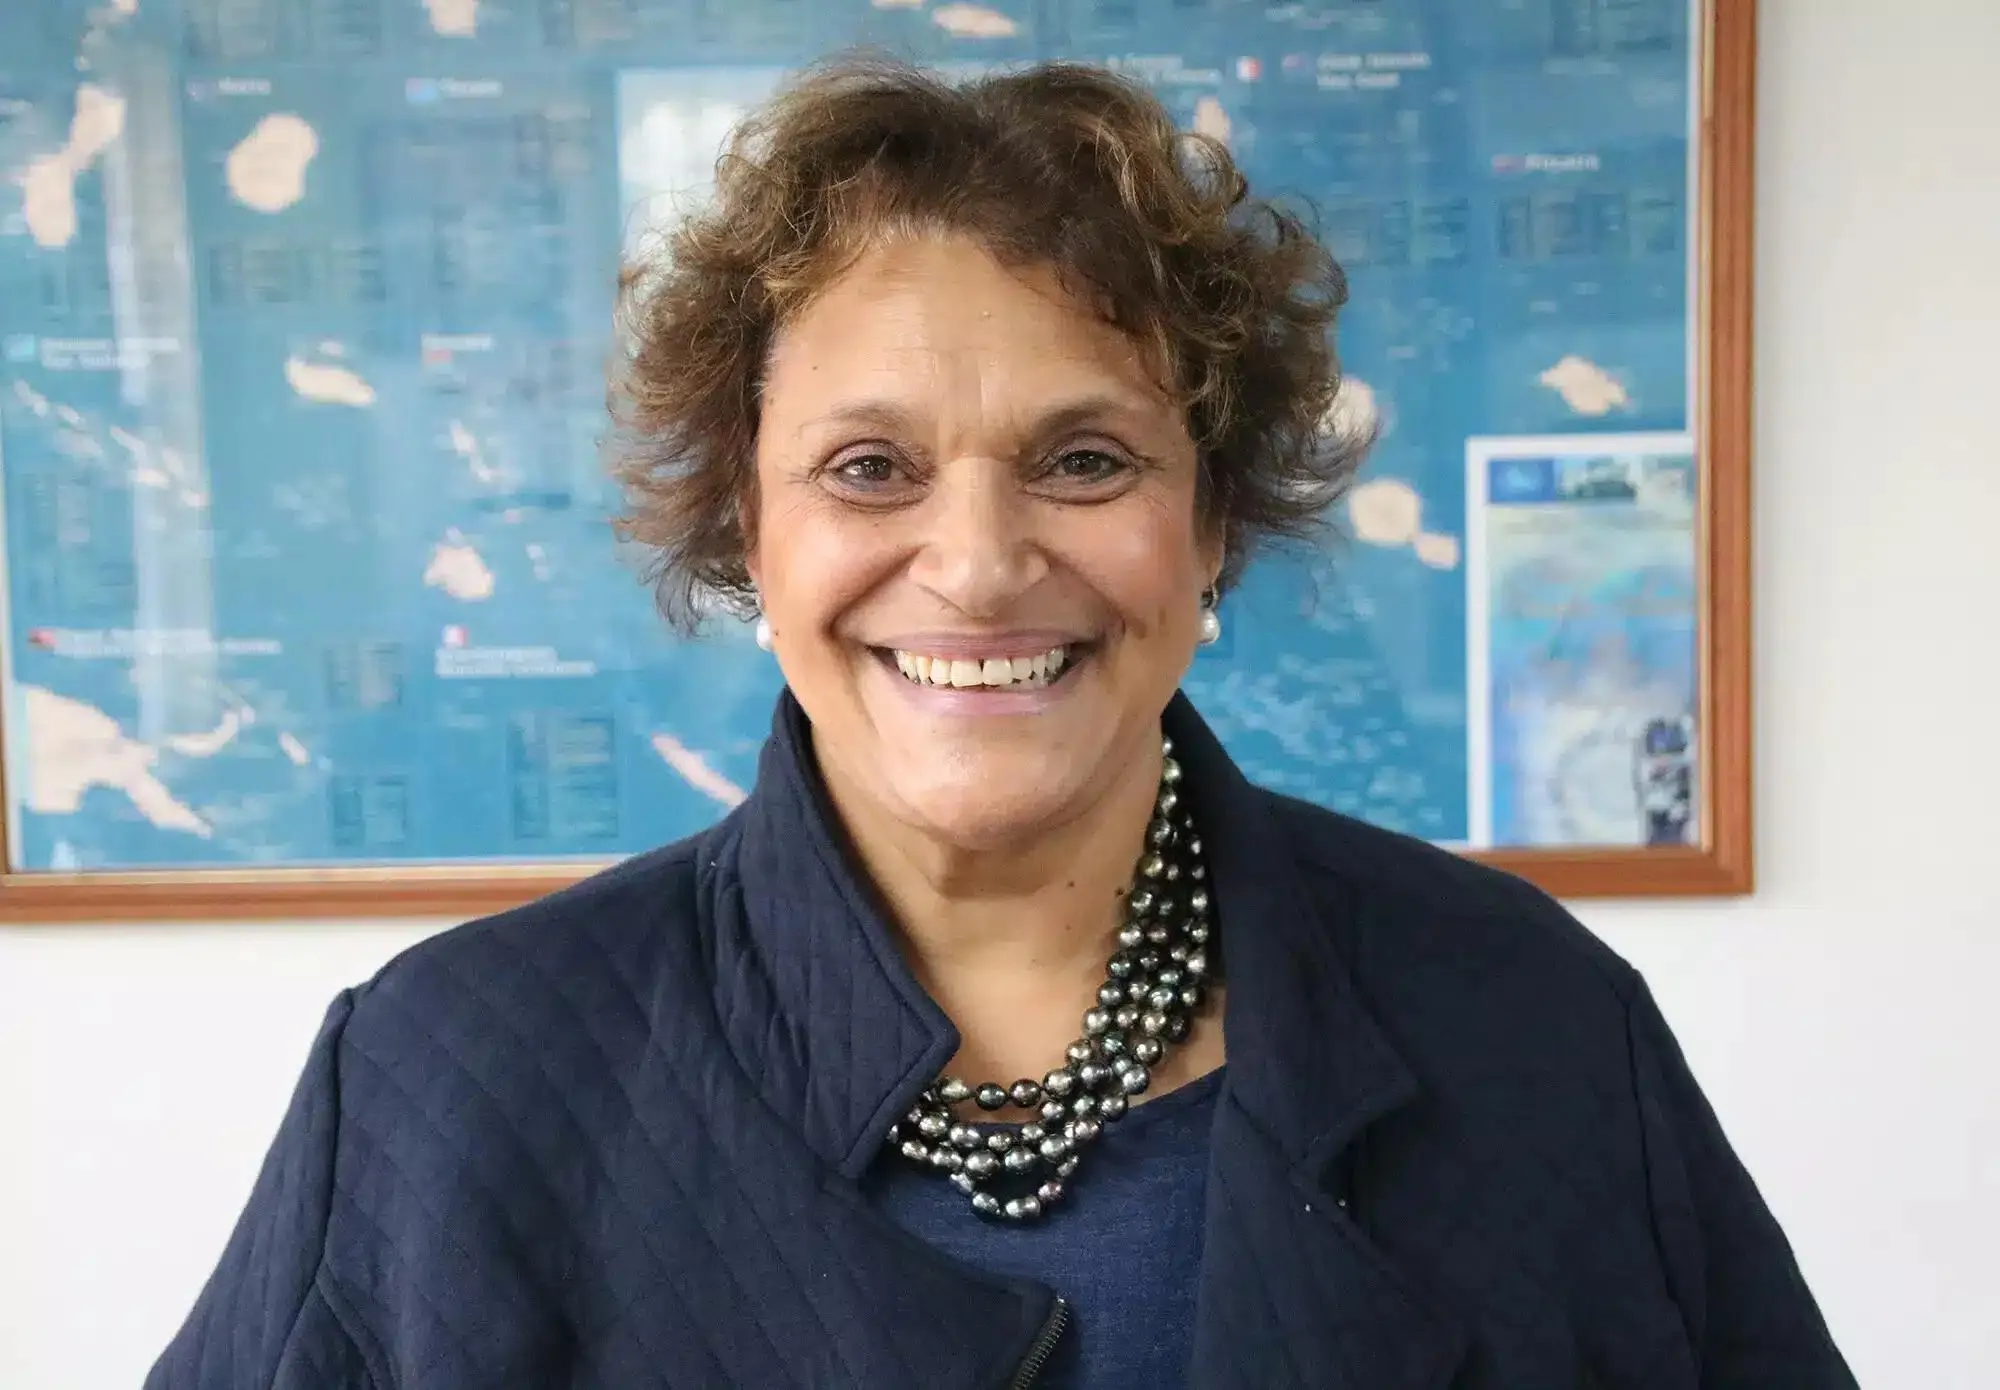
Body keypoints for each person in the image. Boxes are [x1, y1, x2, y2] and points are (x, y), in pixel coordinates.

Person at [148, 57, 1853, 1390]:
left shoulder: (1531, 1020)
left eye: (1085, 459)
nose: (974, 564)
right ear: (750, 531)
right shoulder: (448, 1079)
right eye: (868, 468)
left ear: (1212, 524)